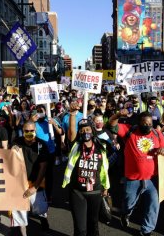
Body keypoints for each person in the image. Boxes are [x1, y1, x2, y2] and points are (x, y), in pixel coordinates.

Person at [108, 110, 164, 236]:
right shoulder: (129, 131)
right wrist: (118, 115)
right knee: (129, 203)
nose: (147, 125)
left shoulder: (157, 133)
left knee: (153, 205)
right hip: (133, 179)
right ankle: (125, 214)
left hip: (152, 178)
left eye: (150, 123)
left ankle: (146, 230)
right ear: (139, 123)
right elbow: (111, 124)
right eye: (144, 123)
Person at [63, 100, 110, 236]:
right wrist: (72, 114)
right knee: (80, 229)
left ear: (92, 130)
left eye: (88, 129)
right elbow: (71, 133)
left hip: (95, 192)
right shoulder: (76, 146)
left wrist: (106, 188)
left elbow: (104, 169)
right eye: (82, 130)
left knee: (93, 226)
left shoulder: (101, 147)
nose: (85, 132)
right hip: (77, 192)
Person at [10, 121, 50, 236]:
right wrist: (12, 151)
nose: (29, 133)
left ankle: (43, 219)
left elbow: (43, 167)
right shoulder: (16, 143)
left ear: (35, 131)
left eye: (31, 131)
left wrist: (35, 187)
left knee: (40, 209)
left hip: (36, 183)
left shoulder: (41, 145)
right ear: (22, 132)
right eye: (26, 131)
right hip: (19, 184)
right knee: (19, 213)